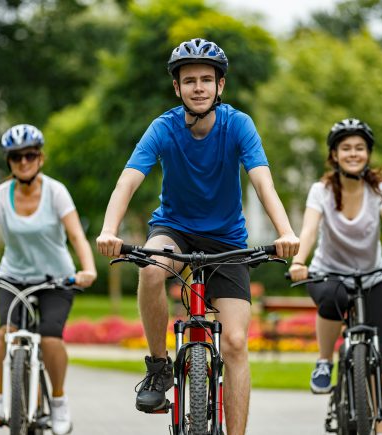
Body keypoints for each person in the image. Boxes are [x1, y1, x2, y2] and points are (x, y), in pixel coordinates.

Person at [96, 38, 299, 435]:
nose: (199, 87)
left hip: (227, 239)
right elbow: (127, 183)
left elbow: (263, 183)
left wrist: (286, 231)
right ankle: (158, 368)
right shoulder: (163, 127)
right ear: (177, 88)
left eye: (207, 79)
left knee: (237, 343)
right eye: (189, 80)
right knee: (152, 269)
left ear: (221, 85)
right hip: (175, 229)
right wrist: (108, 230)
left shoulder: (238, 125)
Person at [287, 118, 382, 435]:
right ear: (334, 155)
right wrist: (298, 261)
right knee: (333, 298)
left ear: (368, 154)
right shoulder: (320, 191)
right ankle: (324, 361)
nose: (353, 153)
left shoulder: (379, 190)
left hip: (371, 276)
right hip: (327, 275)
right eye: (345, 148)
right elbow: (308, 230)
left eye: (359, 148)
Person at [0, 124, 96, 435]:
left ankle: (59, 403)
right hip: (14, 278)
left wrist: (87, 270)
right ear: (9, 161)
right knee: (4, 333)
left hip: (56, 279)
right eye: (16, 157)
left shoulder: (56, 192)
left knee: (50, 338)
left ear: (41, 158)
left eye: (30, 155)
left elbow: (76, 235)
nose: (24, 162)